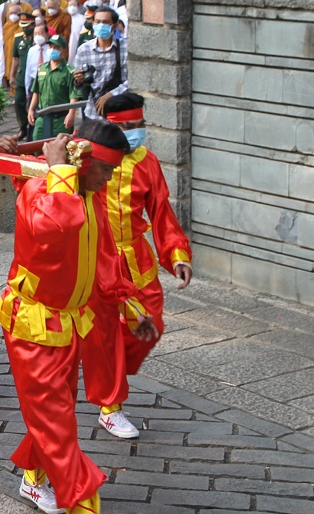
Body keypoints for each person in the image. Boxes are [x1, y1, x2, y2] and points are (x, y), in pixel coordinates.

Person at [0, 124, 154, 514]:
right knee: (56, 422)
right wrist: (59, 171)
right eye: (105, 169)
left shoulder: (87, 195)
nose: (110, 177)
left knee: (56, 412)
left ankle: (34, 481)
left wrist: (130, 306)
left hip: (69, 322)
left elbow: (104, 259)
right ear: (81, 164)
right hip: (32, 325)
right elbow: (55, 228)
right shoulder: (43, 192)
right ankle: (83, 501)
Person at [81, 93, 191, 440]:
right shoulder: (89, 162)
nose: (133, 132)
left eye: (138, 125)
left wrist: (177, 255)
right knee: (106, 333)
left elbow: (161, 212)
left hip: (138, 260)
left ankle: (106, 372)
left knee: (151, 324)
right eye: (126, 126)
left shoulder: (148, 161)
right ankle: (110, 406)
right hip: (100, 258)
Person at [72, 6, 128, 121]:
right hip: (93, 113)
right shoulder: (84, 50)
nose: (101, 25)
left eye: (106, 22)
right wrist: (78, 80)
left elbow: (133, 81)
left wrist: (111, 95)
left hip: (119, 112)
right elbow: (77, 86)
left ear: (115, 25)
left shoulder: (125, 47)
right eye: (98, 22)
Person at [27, 35, 75, 141]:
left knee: (60, 148)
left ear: (63, 50)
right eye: (51, 47)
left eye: (56, 48)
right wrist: (31, 109)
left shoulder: (69, 71)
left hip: (61, 119)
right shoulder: (42, 68)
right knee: (36, 143)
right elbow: (36, 91)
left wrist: (71, 113)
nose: (52, 50)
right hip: (42, 116)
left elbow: (73, 94)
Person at [9, 11, 35, 141]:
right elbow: (15, 58)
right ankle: (22, 127)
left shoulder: (38, 38)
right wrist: (12, 75)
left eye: (27, 25)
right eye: (23, 25)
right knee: (19, 102)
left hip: (33, 77)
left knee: (33, 103)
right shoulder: (18, 38)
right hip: (21, 75)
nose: (25, 28)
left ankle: (32, 128)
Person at [22, 22, 51, 104]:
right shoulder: (32, 50)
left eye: (41, 33)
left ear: (47, 34)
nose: (38, 36)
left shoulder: (51, 49)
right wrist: (27, 89)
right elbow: (28, 70)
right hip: (34, 82)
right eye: (36, 33)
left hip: (47, 81)